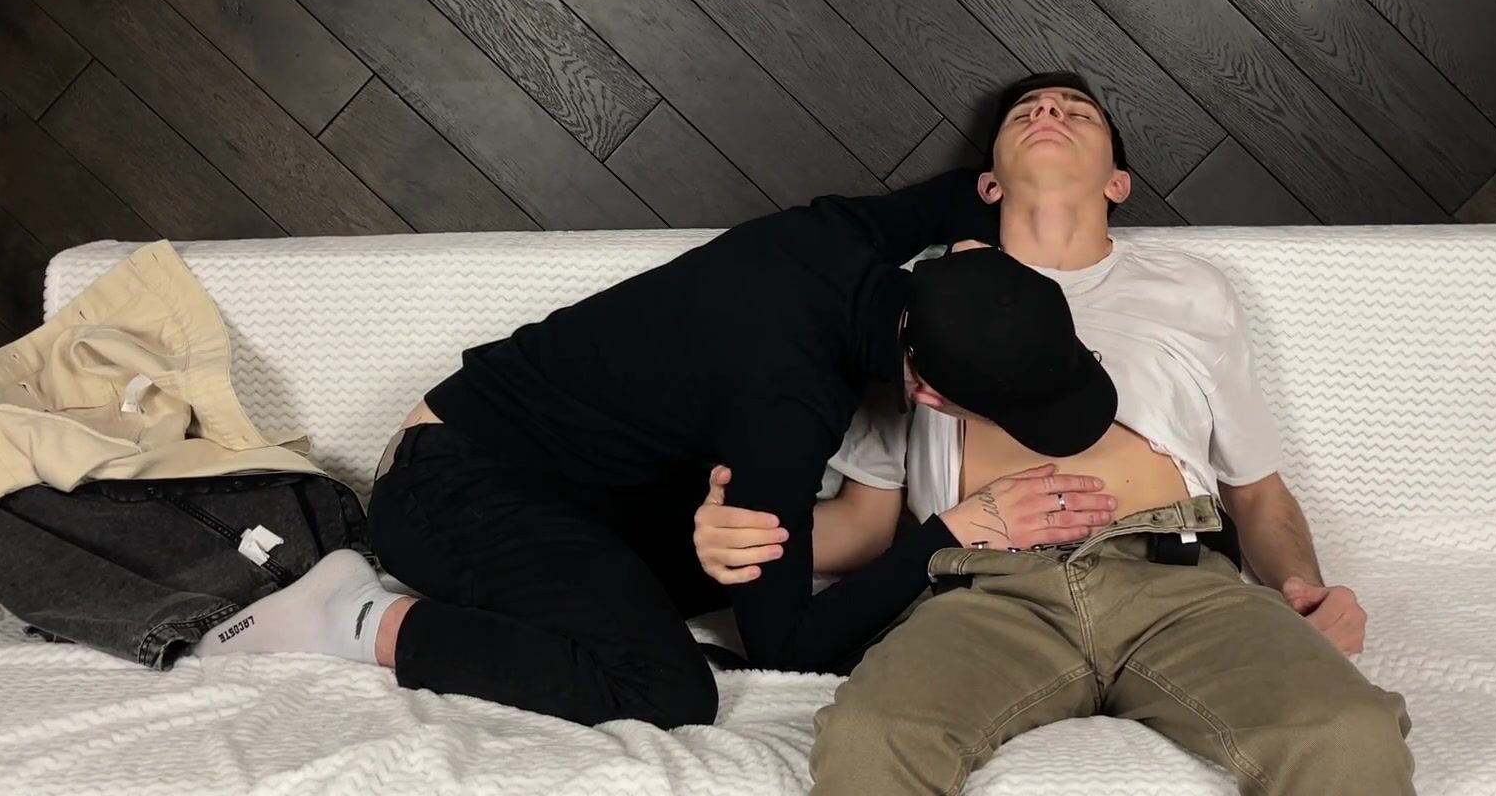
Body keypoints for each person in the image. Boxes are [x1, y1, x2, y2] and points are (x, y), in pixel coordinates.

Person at [185, 168, 1119, 730]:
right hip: (450, 490)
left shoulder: (844, 238)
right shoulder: (786, 408)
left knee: (725, 558)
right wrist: (954, 531)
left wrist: (1014, 187)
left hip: (567, 485)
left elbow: (962, 194)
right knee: (669, 690)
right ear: (927, 393)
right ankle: (359, 620)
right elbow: (788, 649)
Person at [695, 73, 1415, 794]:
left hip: (1176, 581)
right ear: (987, 185)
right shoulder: (918, 302)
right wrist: (741, 532)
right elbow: (866, 523)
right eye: (1026, 112)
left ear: (1118, 183)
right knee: (869, 739)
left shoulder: (1193, 290)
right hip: (986, 592)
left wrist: (1305, 587)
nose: (1049, 110)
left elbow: (1256, 490)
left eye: (1078, 111)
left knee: (1348, 733)